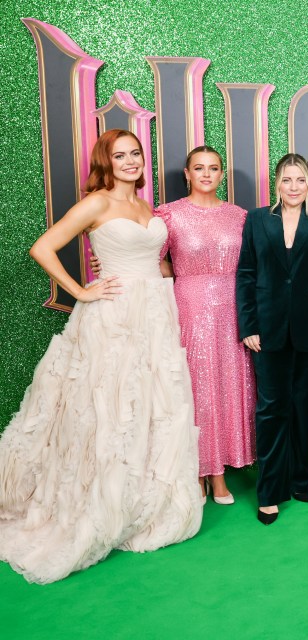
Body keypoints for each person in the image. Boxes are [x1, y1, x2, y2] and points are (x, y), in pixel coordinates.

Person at [0, 129, 203, 583]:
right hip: (113, 317)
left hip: (155, 314)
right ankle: (96, 504)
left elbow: (154, 258)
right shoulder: (97, 202)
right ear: (106, 162)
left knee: (152, 407)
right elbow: (42, 247)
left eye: (135, 154)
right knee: (108, 409)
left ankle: (139, 501)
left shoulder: (147, 207)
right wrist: (79, 291)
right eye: (120, 155)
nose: (130, 161)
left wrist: (165, 270)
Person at [236, 153, 308, 525]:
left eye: (300, 180)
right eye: (287, 180)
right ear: (277, 183)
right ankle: (269, 492)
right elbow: (246, 274)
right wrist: (248, 325)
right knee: (271, 408)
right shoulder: (256, 219)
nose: (293, 187)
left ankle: (302, 481)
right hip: (267, 330)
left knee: (306, 407)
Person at [154, 145, 256, 504]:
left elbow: (253, 263)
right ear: (187, 173)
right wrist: (182, 275)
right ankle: (198, 471)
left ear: (222, 173)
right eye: (199, 168)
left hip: (233, 308)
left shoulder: (240, 216)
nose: (207, 174)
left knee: (229, 384)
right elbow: (151, 258)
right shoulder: (168, 215)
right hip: (191, 307)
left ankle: (220, 473)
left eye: (214, 168)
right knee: (197, 386)